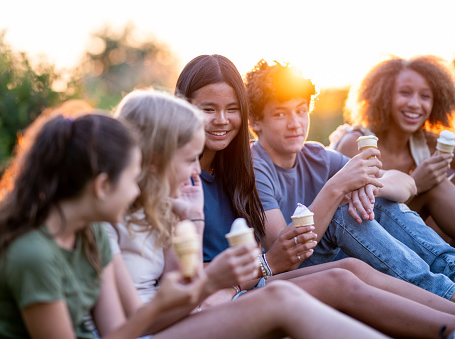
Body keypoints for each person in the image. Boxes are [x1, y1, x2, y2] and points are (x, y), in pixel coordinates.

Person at [172, 54, 455, 338]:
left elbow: (398, 182)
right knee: (343, 236)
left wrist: (366, 184)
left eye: (232, 109)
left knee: (356, 246)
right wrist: (338, 187)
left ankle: (449, 293)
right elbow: (278, 253)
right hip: (239, 284)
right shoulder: (194, 174)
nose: (222, 120)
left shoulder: (235, 167)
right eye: (208, 109)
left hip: (255, 275)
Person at [110, 89, 388, 338]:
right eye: (189, 159)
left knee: (346, 270)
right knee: (282, 297)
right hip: (157, 326)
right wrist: (214, 282)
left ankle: (434, 319)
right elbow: (141, 320)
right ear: (154, 159)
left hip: (175, 319)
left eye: (232, 109)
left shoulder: (164, 210)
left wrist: (193, 220)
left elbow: (184, 298)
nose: (197, 169)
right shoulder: (107, 225)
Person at [0, 105, 205, 339]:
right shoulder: (33, 255)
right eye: (133, 180)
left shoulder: (91, 233)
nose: (136, 192)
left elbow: (114, 332)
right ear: (102, 187)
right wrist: (164, 303)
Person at [245, 59, 455, 303]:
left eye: (301, 111)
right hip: (286, 273)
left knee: (371, 197)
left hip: (328, 257)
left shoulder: (316, 156)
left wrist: (370, 187)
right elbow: (284, 251)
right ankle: (446, 295)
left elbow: (406, 184)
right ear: (255, 122)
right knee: (342, 212)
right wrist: (337, 187)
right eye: (280, 113)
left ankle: (451, 270)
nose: (295, 124)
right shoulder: (254, 166)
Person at [331, 55, 455, 241]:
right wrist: (417, 184)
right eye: (405, 93)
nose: (415, 104)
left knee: (440, 182)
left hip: (407, 236)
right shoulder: (356, 142)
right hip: (363, 237)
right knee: (434, 186)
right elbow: (351, 217)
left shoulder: (427, 142)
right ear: (384, 96)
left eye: (425, 96)